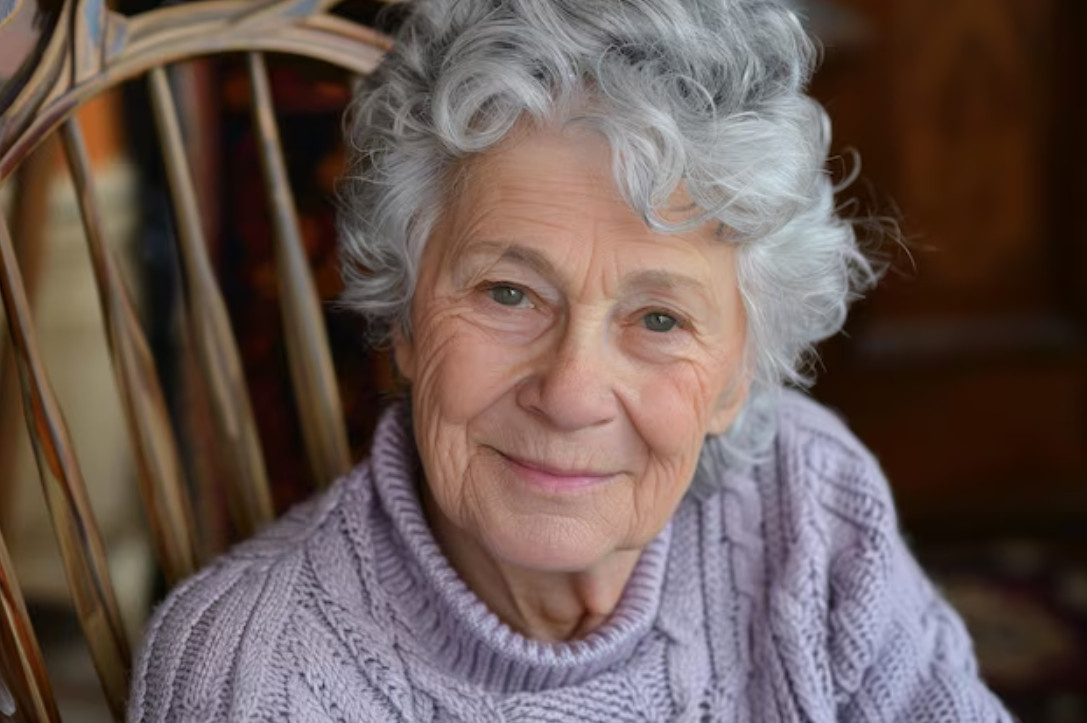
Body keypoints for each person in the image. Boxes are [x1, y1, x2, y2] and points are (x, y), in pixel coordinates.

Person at [128, 0, 1013, 720]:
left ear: (738, 375)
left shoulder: (809, 504)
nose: (570, 391)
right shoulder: (254, 677)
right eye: (508, 293)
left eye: (659, 318)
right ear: (405, 315)